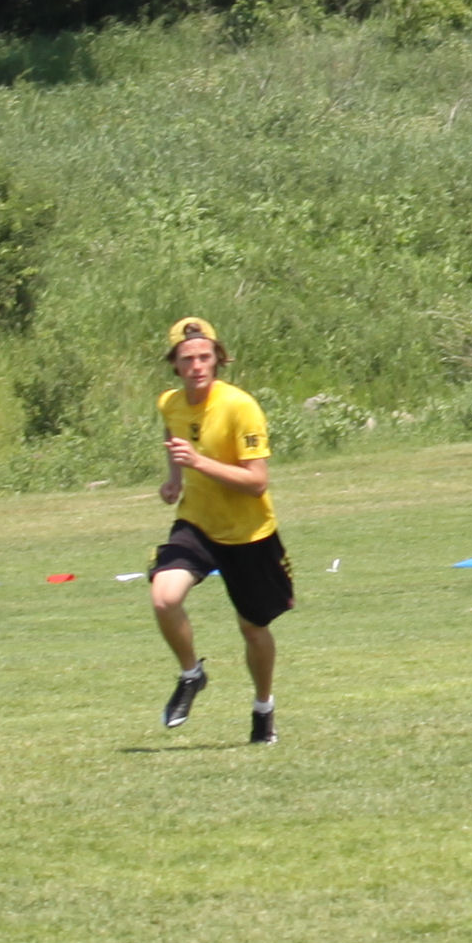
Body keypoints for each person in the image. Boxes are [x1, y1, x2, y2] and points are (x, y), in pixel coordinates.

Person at [149, 317, 294, 743]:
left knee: (253, 628)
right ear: (174, 364)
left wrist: (198, 463)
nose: (196, 365)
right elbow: (173, 433)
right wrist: (175, 478)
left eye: (204, 357)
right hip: (197, 523)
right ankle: (191, 674)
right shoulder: (170, 403)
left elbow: (257, 482)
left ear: (218, 359)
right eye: (187, 359)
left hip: (249, 534)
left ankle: (263, 708)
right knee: (164, 597)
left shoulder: (240, 407)